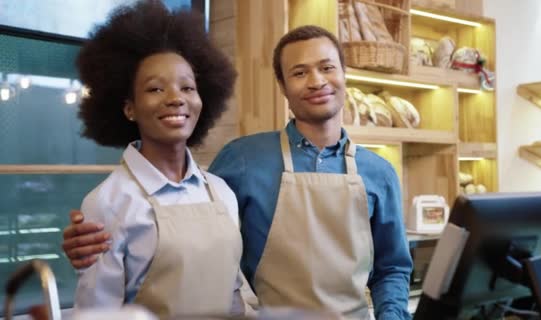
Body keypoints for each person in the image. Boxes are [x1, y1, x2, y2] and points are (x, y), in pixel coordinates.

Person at [63, 25, 413, 320]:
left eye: (327, 67)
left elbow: (392, 268)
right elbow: (185, 228)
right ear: (282, 86)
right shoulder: (242, 161)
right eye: (299, 72)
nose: (316, 81)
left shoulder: (378, 172)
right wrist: (85, 243)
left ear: (344, 74)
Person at [68, 1, 247, 319]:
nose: (175, 98)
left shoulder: (222, 193)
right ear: (129, 108)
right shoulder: (107, 203)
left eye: (187, 87)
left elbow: (234, 296)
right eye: (155, 88)